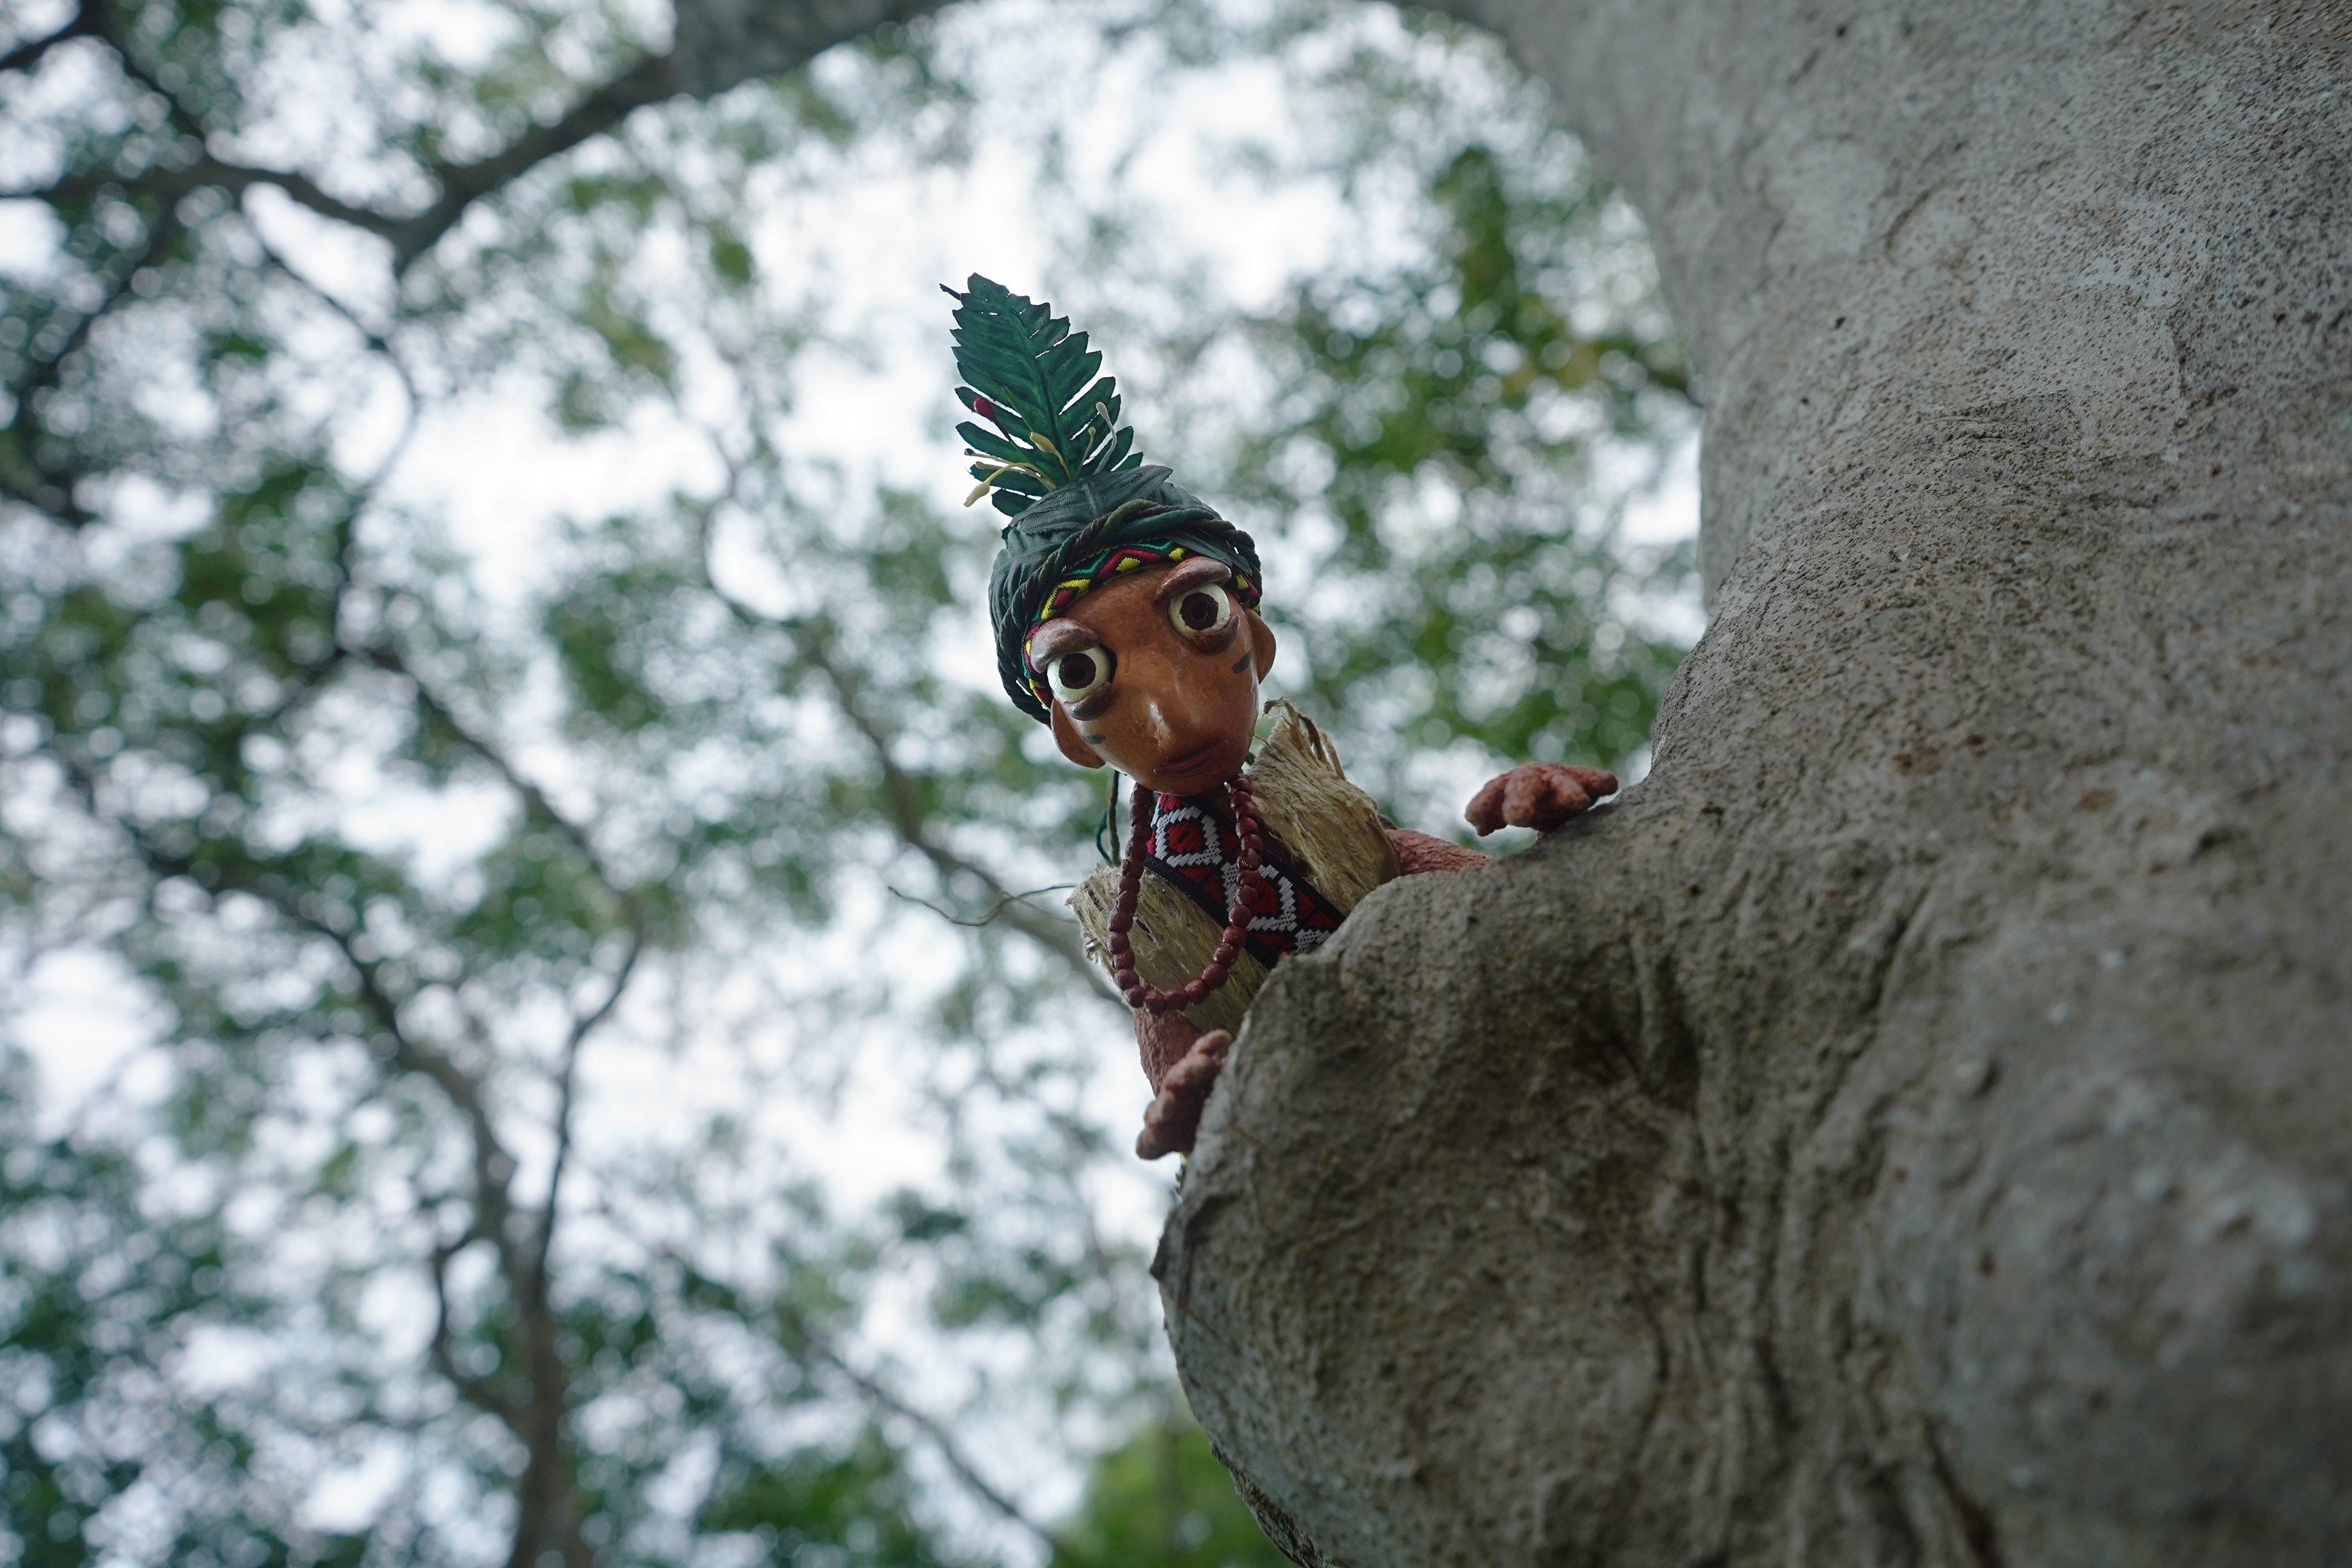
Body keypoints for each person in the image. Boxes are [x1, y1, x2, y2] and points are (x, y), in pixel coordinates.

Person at [948, 276, 1615, 1157]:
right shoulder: (1144, 913)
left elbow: (1445, 883)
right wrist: (1186, 1093)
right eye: (1083, 672)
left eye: (1198, 615)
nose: (1176, 721)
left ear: (1254, 639)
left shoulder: (1310, 805)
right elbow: (1169, 1028)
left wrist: (1547, 835)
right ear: (1072, 733)